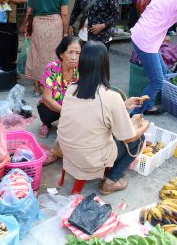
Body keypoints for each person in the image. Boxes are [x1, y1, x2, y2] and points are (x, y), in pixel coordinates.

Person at [57, 41, 150, 195]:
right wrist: (144, 127)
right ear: (105, 65)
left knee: (109, 132)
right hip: (89, 160)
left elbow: (91, 112)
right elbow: (128, 138)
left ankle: (107, 172)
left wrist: (124, 105)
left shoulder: (71, 88)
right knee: (138, 139)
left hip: (68, 153)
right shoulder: (111, 97)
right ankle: (111, 181)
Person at [21, 0, 70, 95]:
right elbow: (64, 13)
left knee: (37, 54)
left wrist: (25, 24)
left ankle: (37, 88)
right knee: (53, 56)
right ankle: (50, 87)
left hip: (39, 24)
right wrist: (65, 31)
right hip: (55, 24)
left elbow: (29, 10)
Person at [37, 36, 81, 139]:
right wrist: (65, 112)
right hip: (53, 106)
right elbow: (47, 98)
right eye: (70, 52)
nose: (74, 57)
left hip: (72, 106)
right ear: (61, 54)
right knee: (46, 113)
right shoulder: (52, 68)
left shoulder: (81, 68)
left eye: (77, 53)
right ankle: (46, 124)